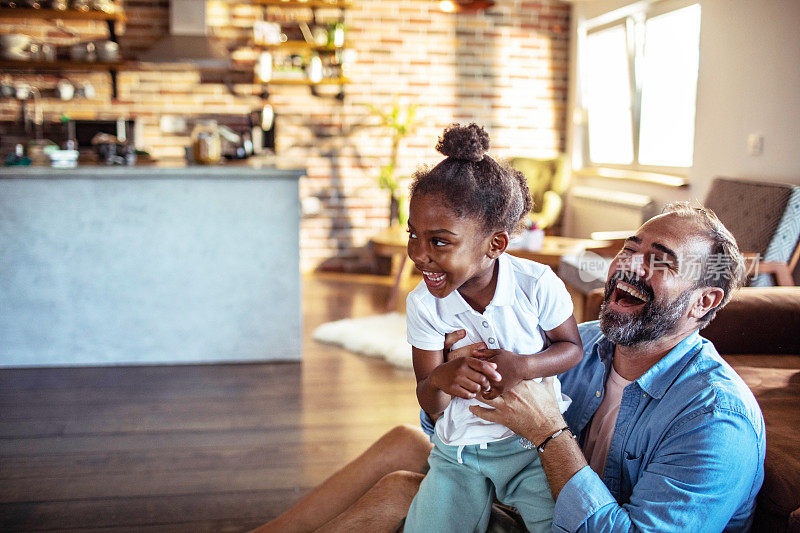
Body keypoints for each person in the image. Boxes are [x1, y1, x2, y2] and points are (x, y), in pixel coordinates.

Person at [254, 204, 765, 532]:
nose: (630, 265)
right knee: (408, 441)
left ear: (704, 301)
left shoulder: (716, 420)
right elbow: (454, 425)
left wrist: (548, 432)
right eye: (631, 249)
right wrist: (455, 379)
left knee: (400, 492)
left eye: (661, 261)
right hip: (530, 494)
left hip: (578, 522)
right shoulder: (583, 345)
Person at [402, 123, 583, 533]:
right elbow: (429, 400)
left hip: (531, 449)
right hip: (457, 455)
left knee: (563, 526)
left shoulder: (537, 285)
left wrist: (522, 365)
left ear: (495, 245)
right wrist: (442, 379)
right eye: (413, 234)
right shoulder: (423, 303)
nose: (419, 254)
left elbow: (571, 347)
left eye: (439, 242)